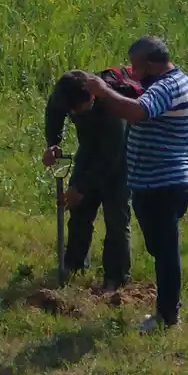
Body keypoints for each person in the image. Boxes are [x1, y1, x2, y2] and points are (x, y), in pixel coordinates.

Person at [86, 36, 188, 333]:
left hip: (162, 184)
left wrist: (103, 91)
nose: (134, 74)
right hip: (159, 182)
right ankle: (168, 308)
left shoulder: (166, 87)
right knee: (160, 248)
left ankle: (167, 314)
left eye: (136, 67)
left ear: (151, 63)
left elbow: (137, 111)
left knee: (165, 251)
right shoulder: (178, 80)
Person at [44, 69, 131, 291]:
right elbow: (54, 111)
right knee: (79, 211)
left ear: (93, 96)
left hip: (120, 155)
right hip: (89, 148)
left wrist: (81, 188)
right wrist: (53, 142)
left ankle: (116, 277)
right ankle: (74, 265)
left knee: (116, 218)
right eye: (72, 111)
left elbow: (110, 157)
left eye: (80, 110)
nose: (75, 115)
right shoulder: (66, 94)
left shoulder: (112, 105)